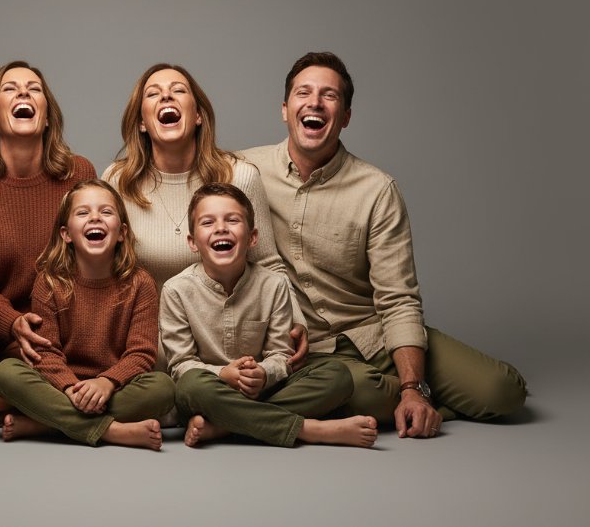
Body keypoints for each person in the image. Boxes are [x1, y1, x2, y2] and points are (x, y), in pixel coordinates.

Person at [240, 52, 527, 438]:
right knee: (363, 391)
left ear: (345, 116)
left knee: (503, 391)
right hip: (313, 350)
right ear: (284, 109)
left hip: (375, 333)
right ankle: (416, 401)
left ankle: (416, 397)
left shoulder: (377, 189)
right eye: (303, 93)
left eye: (329, 96)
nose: (315, 103)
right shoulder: (244, 171)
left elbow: (399, 298)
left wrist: (411, 387)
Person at [103, 64, 308, 371]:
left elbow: (268, 263)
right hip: (146, 344)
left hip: (226, 340)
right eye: (153, 94)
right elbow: (104, 273)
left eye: (178, 90)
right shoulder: (118, 181)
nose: (166, 97)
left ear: (198, 115)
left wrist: (296, 319)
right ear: (142, 122)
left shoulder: (239, 176)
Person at [161, 183, 377, 448]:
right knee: (191, 385)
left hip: (259, 392)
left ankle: (224, 427)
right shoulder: (176, 290)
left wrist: (263, 373)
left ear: (252, 237)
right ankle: (305, 429)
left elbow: (281, 354)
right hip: (209, 393)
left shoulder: (275, 284)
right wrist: (223, 374)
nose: (221, 228)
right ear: (192, 242)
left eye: (232, 220)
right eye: (208, 222)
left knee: (337, 375)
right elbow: (181, 364)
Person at [0, 61, 96, 423]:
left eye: (34, 88)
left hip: (66, 332)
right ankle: (50, 416)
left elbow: (93, 263)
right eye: (9, 88)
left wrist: (51, 333)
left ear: (47, 118)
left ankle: (38, 417)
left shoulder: (80, 173)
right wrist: (12, 322)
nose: (24, 92)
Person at [0, 180, 174, 450]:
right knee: (6, 373)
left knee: (163, 388)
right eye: (83, 212)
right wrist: (69, 388)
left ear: (122, 232)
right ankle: (111, 431)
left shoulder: (140, 284)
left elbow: (142, 353)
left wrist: (106, 382)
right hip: (60, 387)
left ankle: (47, 424)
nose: (95, 218)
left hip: (114, 388)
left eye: (106, 212)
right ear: (66, 234)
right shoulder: (49, 283)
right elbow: (46, 352)